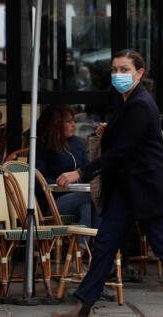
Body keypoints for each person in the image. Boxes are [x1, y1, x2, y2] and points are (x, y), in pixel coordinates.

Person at [54, 50, 163, 317]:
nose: (118, 75)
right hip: (128, 190)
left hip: (146, 191)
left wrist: (80, 172)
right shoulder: (130, 102)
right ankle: (84, 306)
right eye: (115, 70)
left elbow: (121, 152)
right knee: (105, 244)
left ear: (140, 73)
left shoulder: (139, 103)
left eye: (125, 70)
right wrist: (109, 131)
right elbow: (125, 141)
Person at [35, 104, 98, 247]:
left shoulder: (76, 142)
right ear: (56, 124)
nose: (73, 125)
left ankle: (81, 253)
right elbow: (35, 179)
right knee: (96, 194)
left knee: (87, 205)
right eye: (69, 122)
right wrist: (63, 182)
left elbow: (86, 170)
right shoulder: (43, 146)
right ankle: (101, 247)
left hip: (80, 198)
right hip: (53, 202)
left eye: (74, 121)